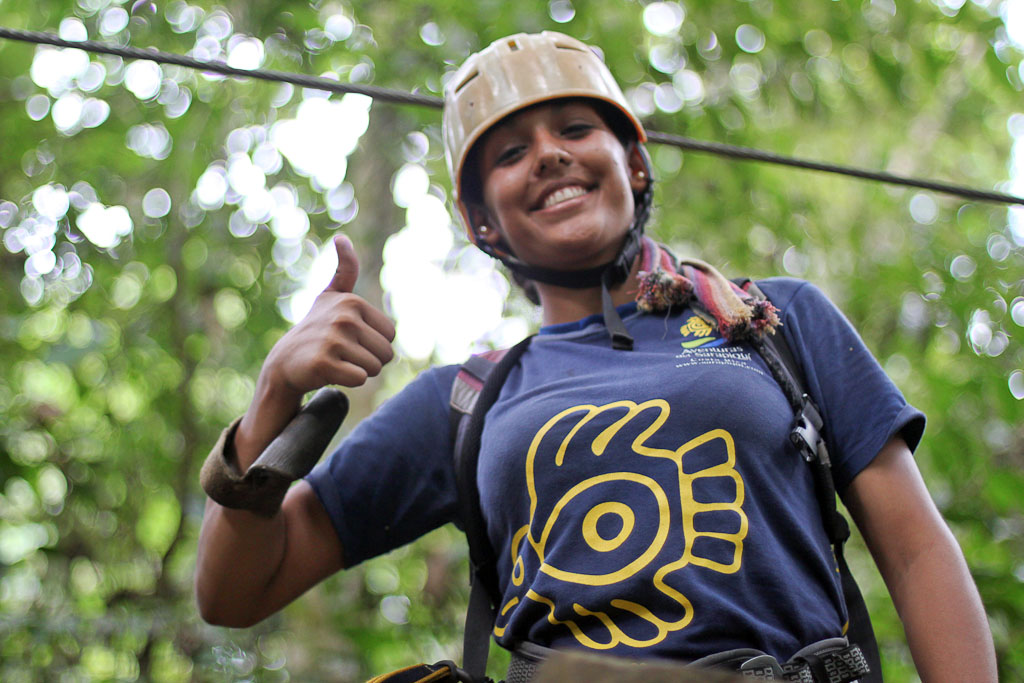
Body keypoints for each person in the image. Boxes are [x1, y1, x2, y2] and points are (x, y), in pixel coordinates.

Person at [195, 31, 996, 681]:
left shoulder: (774, 321)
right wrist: (273, 395)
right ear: (483, 224)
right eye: (508, 153)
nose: (547, 154)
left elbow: (918, 548)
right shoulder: (470, 399)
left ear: (634, 164)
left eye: (576, 130)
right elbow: (235, 591)